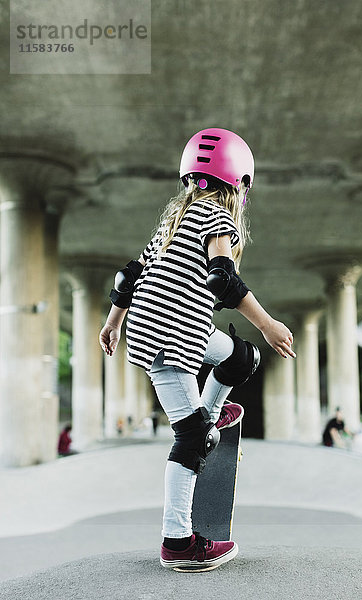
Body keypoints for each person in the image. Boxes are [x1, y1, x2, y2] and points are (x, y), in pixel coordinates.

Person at [99, 127, 296, 572]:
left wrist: (112, 323)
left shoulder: (173, 222)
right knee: (192, 441)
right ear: (240, 183)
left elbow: (128, 276)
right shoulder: (219, 220)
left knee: (240, 357)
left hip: (181, 328)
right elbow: (222, 280)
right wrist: (268, 324)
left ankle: (210, 412)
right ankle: (178, 542)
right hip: (170, 338)